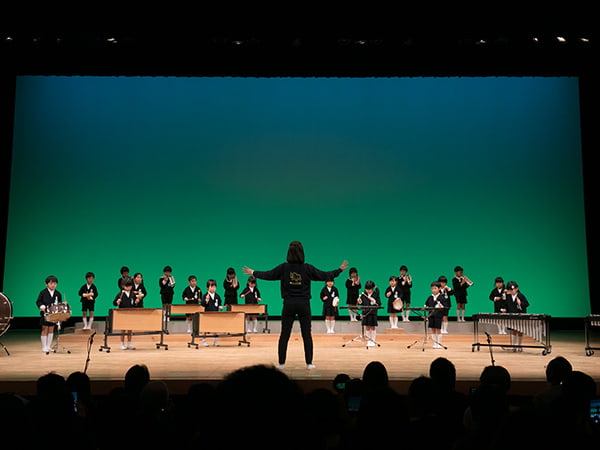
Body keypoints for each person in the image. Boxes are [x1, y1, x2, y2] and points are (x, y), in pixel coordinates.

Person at [243, 240, 348, 370]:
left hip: (289, 304)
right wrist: (339, 270)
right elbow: (324, 275)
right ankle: (309, 363)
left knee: (284, 334)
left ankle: (281, 363)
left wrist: (253, 272)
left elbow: (269, 274)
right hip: (304, 304)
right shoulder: (307, 268)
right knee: (306, 334)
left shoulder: (283, 268)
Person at [36, 275, 64, 353]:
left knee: (51, 329)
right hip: (45, 314)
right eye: (51, 283)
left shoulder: (58, 294)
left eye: (55, 283)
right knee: (45, 329)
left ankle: (48, 346)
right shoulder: (43, 292)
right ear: (46, 284)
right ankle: (44, 346)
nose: (53, 285)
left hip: (53, 315)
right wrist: (41, 306)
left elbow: (59, 303)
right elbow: (38, 301)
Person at [113, 277, 140, 350]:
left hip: (131, 313)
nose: (129, 288)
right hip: (123, 314)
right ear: (123, 286)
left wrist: (136, 302)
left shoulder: (132, 294)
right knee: (123, 329)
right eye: (127, 286)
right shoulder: (120, 294)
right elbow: (114, 303)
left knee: (130, 329)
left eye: (130, 286)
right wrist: (117, 302)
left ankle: (129, 343)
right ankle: (122, 343)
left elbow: (134, 304)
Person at [504, 280, 529, 351]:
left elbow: (526, 304)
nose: (511, 291)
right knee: (513, 330)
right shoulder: (508, 296)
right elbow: (506, 304)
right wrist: (505, 309)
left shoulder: (521, 296)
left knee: (520, 331)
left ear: (517, 288)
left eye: (513, 290)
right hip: (511, 316)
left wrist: (520, 303)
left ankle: (519, 345)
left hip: (520, 316)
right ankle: (514, 346)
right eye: (510, 290)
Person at [425, 281, 449, 349]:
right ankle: (435, 343)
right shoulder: (430, 297)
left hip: (438, 315)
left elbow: (445, 306)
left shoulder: (442, 297)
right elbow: (426, 304)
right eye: (432, 288)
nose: (433, 290)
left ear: (439, 288)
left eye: (435, 288)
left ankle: (439, 343)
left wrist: (441, 306)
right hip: (431, 315)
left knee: (438, 329)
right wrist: (426, 307)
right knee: (433, 329)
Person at [358, 280, 381, 346]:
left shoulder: (375, 294)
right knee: (367, 327)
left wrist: (374, 301)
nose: (368, 291)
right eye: (366, 289)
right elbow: (361, 303)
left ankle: (373, 341)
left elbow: (379, 303)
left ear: (373, 288)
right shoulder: (363, 295)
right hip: (365, 313)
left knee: (373, 327)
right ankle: (368, 341)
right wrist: (359, 301)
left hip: (373, 313)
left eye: (369, 289)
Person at [201, 279, 223, 346]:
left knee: (215, 328)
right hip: (207, 314)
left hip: (215, 314)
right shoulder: (205, 296)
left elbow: (219, 304)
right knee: (205, 328)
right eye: (211, 287)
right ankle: (204, 341)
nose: (213, 288)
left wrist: (220, 307)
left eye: (214, 287)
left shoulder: (217, 296)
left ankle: (215, 341)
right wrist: (206, 300)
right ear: (207, 288)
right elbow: (203, 304)